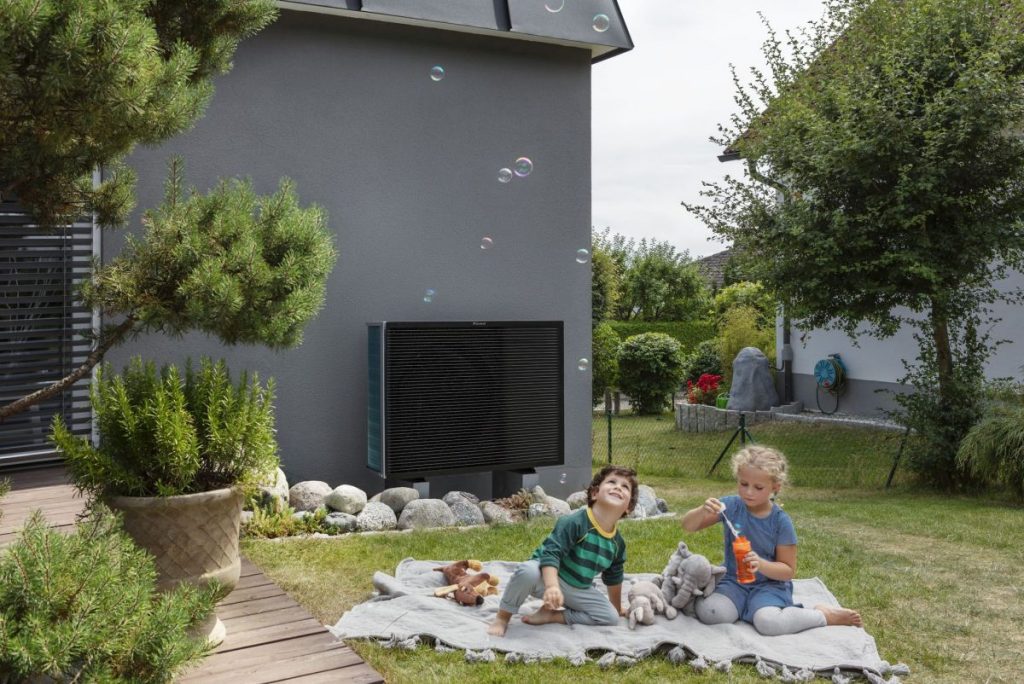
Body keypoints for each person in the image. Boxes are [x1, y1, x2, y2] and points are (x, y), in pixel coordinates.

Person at [680, 445, 862, 635]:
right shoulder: (731, 506)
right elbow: (688, 526)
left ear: (775, 488)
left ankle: (822, 615)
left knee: (768, 623)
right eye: (743, 484)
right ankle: (741, 607)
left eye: (758, 487)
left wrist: (760, 564)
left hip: (770, 586)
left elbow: (788, 571)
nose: (749, 492)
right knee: (711, 613)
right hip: (734, 581)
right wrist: (702, 510)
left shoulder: (780, 522)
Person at [486, 465, 637, 637]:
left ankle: (553, 615)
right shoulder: (575, 522)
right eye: (611, 482)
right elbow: (552, 553)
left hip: (577, 588)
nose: (618, 487)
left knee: (610, 617)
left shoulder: (617, 544)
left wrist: (617, 609)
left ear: (628, 508)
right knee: (527, 571)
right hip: (545, 576)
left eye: (625, 486)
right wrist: (552, 586)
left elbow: (614, 577)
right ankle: (503, 617)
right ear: (595, 493)